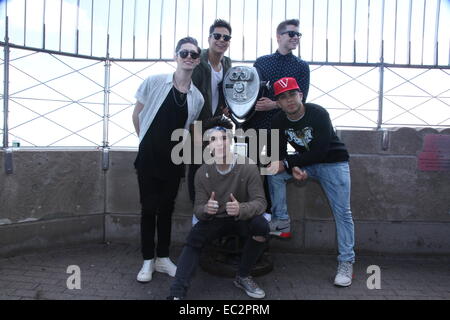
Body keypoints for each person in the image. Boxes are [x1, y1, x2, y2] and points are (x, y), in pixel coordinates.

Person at [266, 77, 355, 287]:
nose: (289, 100)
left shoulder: (318, 113)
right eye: (282, 97)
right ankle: (281, 221)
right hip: (307, 162)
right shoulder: (278, 120)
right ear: (277, 103)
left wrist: (290, 162)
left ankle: (346, 262)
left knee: (343, 212)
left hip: (333, 163)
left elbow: (321, 150)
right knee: (272, 171)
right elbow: (277, 154)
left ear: (301, 95)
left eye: (292, 94)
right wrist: (291, 166)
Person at [168, 117, 269, 300]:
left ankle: (243, 276)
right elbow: (198, 208)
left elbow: (261, 202)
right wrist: (206, 208)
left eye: (223, 139)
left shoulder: (247, 166)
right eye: (213, 140)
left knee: (262, 226)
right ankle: (177, 293)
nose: (220, 144)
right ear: (208, 146)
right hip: (217, 219)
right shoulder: (202, 173)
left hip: (241, 218)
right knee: (193, 237)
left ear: (230, 141)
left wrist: (241, 208)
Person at [132, 37, 204, 283]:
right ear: (176, 55)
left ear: (197, 60)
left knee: (166, 209)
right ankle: (147, 261)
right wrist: (146, 143)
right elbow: (137, 114)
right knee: (148, 209)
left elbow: (188, 129)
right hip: (149, 158)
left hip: (174, 161)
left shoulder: (197, 97)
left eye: (194, 55)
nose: (189, 57)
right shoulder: (154, 82)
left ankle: (163, 258)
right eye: (184, 52)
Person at [243, 19, 310, 237]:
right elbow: (249, 92)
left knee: (273, 178)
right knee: (250, 177)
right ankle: (247, 226)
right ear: (278, 36)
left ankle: (268, 231)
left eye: (298, 35)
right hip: (254, 128)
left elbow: (301, 99)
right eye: (291, 33)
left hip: (279, 132)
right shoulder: (262, 62)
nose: (295, 37)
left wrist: (273, 104)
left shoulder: (301, 67)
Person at [188, 19, 233, 207]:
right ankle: (198, 212)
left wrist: (226, 108)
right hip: (198, 123)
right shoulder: (198, 61)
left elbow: (226, 92)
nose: (221, 40)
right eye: (217, 36)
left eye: (226, 37)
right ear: (209, 38)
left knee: (217, 167)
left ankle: (215, 212)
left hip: (217, 124)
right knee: (197, 168)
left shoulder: (227, 64)